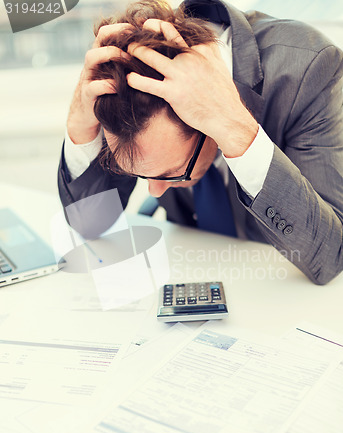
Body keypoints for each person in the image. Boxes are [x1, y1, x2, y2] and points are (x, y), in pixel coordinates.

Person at [58, 0, 343, 285]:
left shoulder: (311, 68)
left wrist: (234, 125)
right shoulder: (132, 95)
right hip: (189, 272)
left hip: (278, 286)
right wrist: (79, 128)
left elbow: (329, 259)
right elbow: (92, 227)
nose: (154, 192)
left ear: (205, 123)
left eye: (172, 173)